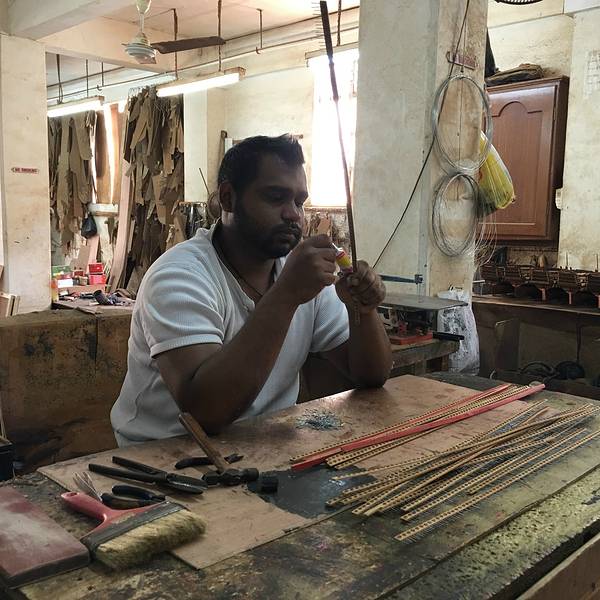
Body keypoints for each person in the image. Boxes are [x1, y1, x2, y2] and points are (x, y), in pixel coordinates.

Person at [111, 134, 392, 446]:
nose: (293, 214)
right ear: (228, 199)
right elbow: (205, 413)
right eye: (276, 197)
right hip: (162, 453)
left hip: (262, 446)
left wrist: (362, 310)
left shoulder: (299, 272)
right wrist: (286, 295)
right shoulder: (178, 277)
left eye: (299, 202)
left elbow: (370, 375)